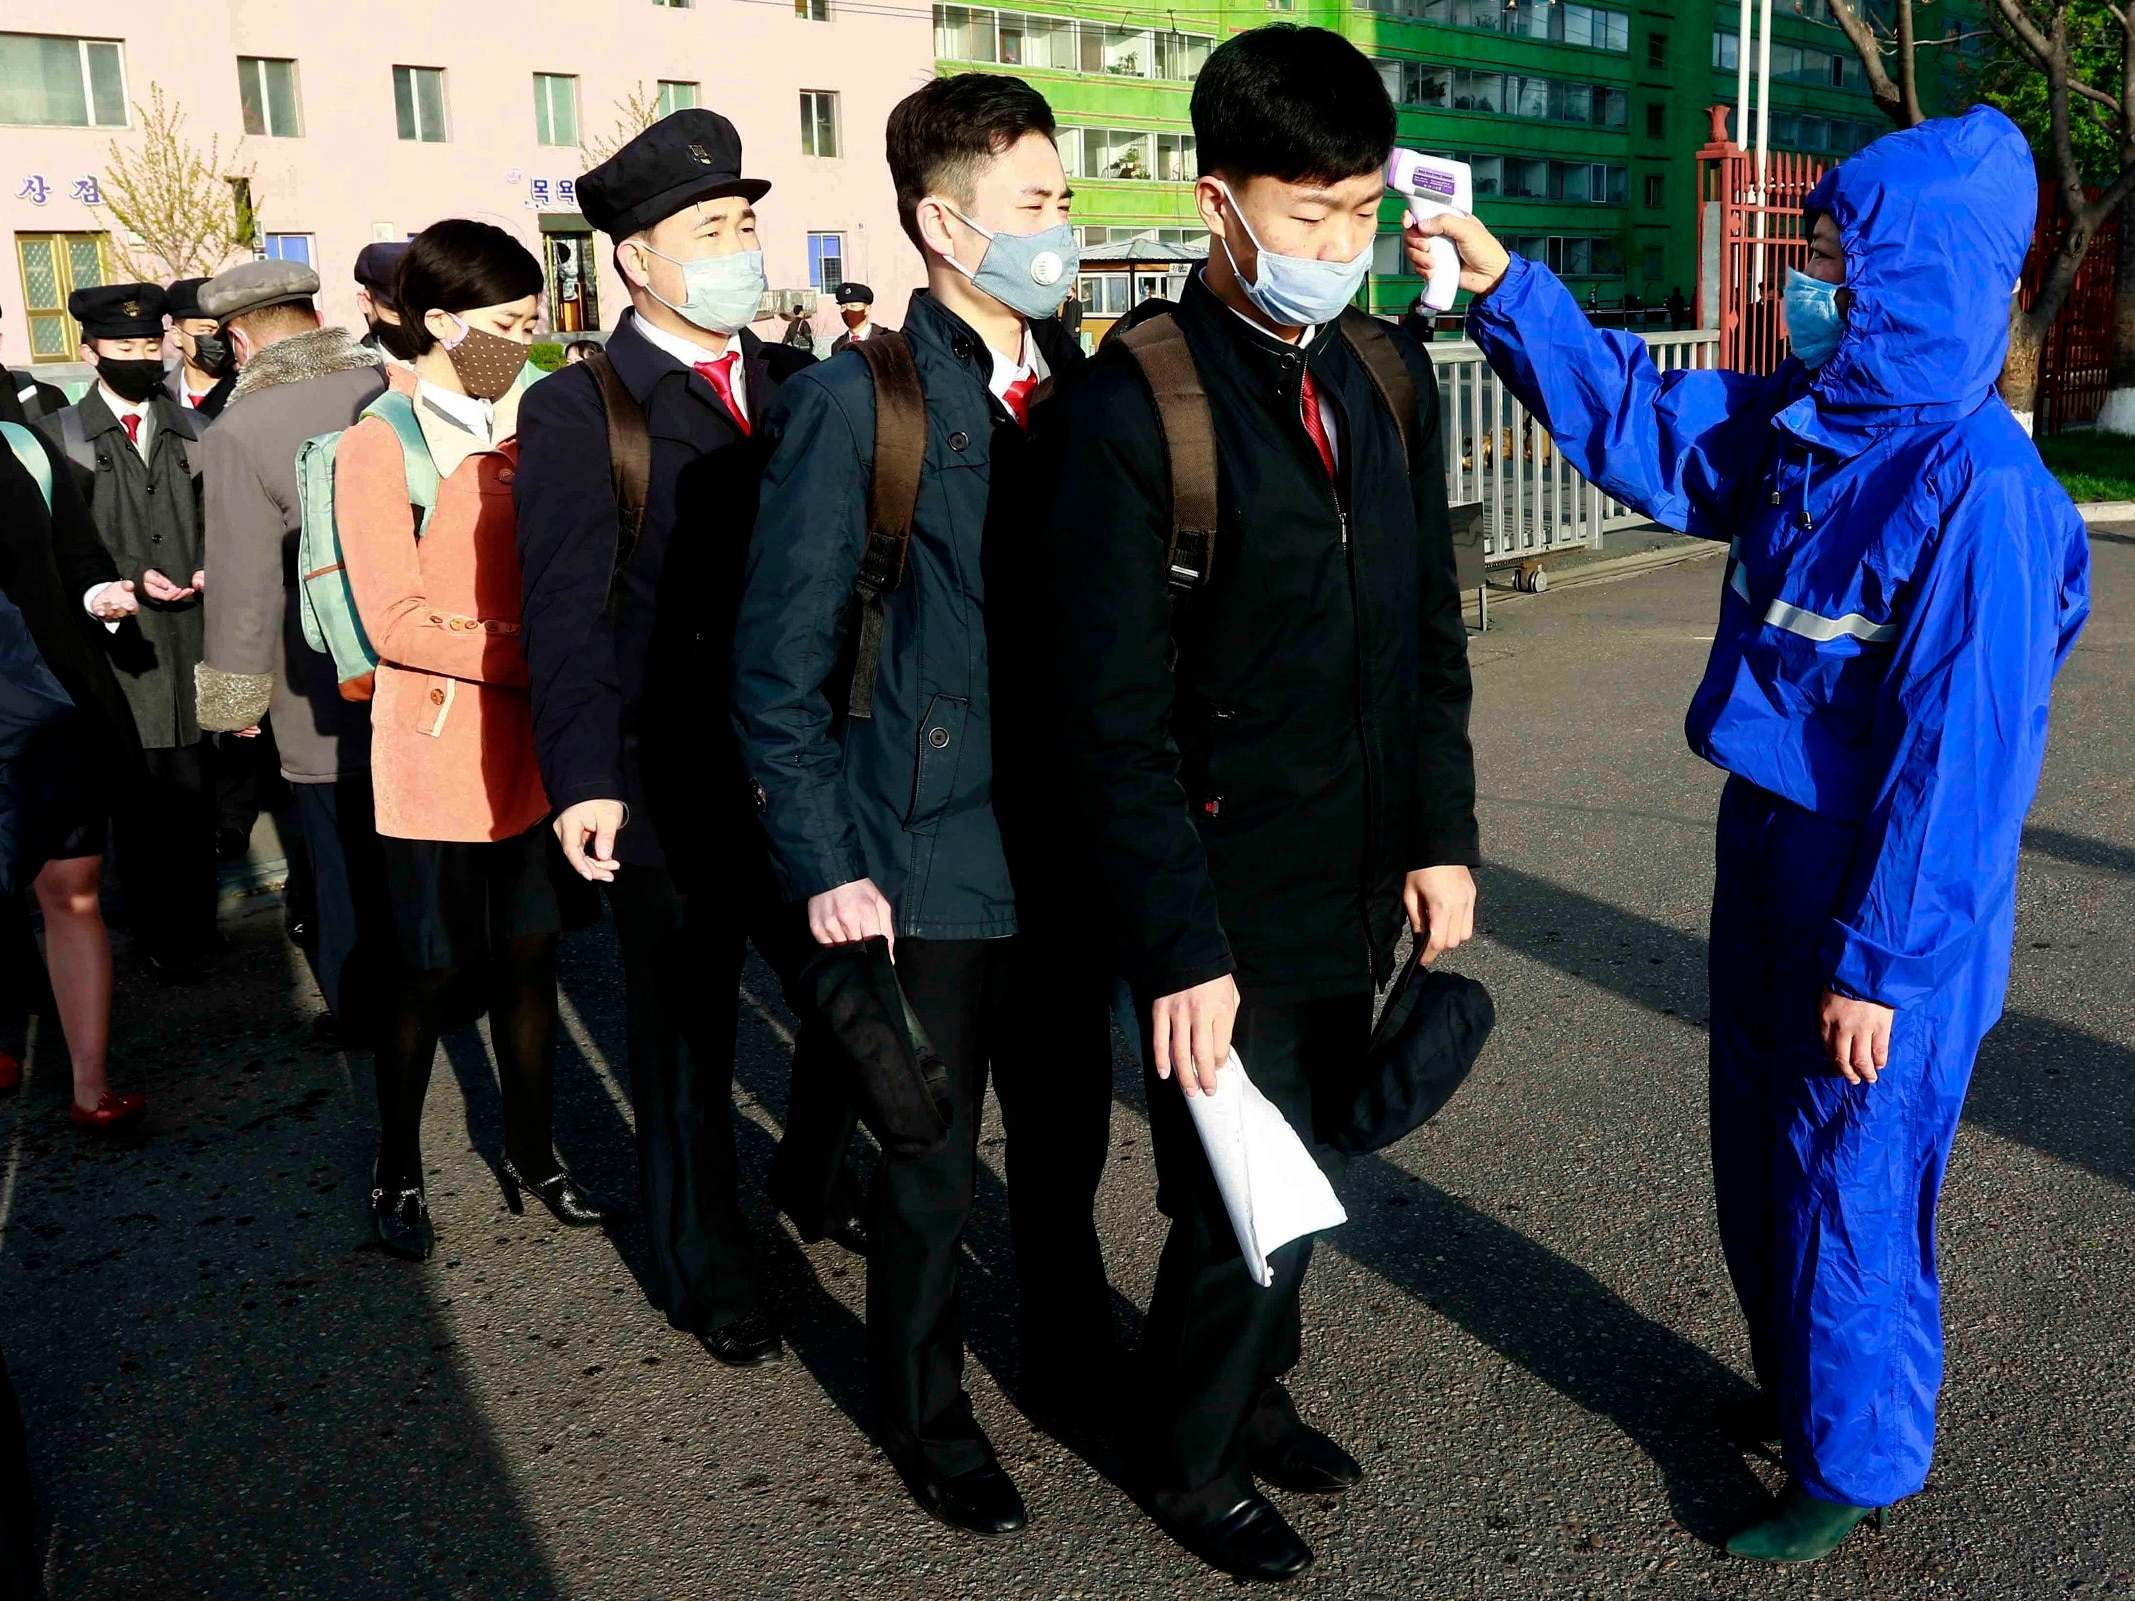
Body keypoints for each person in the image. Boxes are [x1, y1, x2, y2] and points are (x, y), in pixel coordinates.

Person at [1426, 105, 2091, 1563]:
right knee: (1757, 1147)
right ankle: (1803, 1391)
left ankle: (1853, 1455)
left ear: (1918, 278)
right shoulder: (1821, 426)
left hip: (1876, 894)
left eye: (1843, 268)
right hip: (1771, 846)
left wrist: (1882, 968)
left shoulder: (1975, 489)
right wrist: (1498, 283)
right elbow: (1651, 432)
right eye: (1818, 260)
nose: (1816, 289)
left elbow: (1955, 776)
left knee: (1848, 1173)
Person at [1028, 26, 1479, 1581]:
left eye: (1359, 212)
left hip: (1357, 870)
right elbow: (1105, 720)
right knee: (1238, 1200)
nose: (1338, 248)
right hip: (1218, 890)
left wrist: (1440, 837)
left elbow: (1425, 633)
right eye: (1305, 217)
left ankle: (1250, 1384)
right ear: (1218, 204)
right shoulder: (1133, 405)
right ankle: (1187, 1450)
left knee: (1309, 1167)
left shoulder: (1381, 371)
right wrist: (1176, 946)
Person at [732, 71, 1115, 1539]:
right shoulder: (854, 404)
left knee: (1069, 1141)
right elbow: (775, 670)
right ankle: (922, 1404)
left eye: (1064, 199)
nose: (1061, 229)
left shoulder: (1084, 390)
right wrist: (826, 864)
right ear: (942, 226)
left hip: (1065, 845)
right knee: (926, 1158)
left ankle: (1074, 1361)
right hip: (921, 845)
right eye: (1036, 205)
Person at [515, 108, 863, 1368]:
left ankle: (818, 1178)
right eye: (708, 228)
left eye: (746, 222)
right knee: (686, 1044)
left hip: (806, 773)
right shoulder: (578, 409)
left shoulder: (800, 385)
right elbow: (562, 617)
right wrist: (584, 780)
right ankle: (704, 1262)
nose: (738, 246)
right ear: (635, 260)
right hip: (668, 782)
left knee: (848, 1000)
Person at [336, 218, 610, 1259]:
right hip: (439, 753)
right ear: (439, 321)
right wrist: (546, 652)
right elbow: (391, 620)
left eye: (533, 321)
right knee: (426, 970)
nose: (523, 339)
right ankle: (397, 1166)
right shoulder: (380, 441)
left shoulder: (540, 421)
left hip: (535, 754)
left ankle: (536, 1152)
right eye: (503, 323)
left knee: (531, 962)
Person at [194, 260, 393, 1044]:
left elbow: (244, 585)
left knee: (338, 858)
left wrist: (234, 703)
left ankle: (363, 1010)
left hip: (320, 679)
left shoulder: (240, 429)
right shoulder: (388, 384)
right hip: (425, 664)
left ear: (239, 340)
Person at [40, 284, 220, 983]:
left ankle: (198, 929)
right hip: (119, 654)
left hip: (194, 642)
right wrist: (123, 582)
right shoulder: (65, 438)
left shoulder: (197, 431)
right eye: (124, 348)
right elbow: (64, 550)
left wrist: (208, 566)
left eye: (152, 346)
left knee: (195, 793)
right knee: (139, 804)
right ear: (91, 352)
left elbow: (218, 519)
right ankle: (154, 929)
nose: (141, 358)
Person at [0, 405, 149, 1130]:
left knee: (73, 888)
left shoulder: (23, 445)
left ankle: (91, 1085)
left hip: (51, 702)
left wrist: (104, 595)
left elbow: (78, 556)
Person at [163, 278, 237, 418]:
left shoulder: (249, 391)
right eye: (207, 330)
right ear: (177, 336)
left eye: (224, 331)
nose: (218, 338)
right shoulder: (159, 396)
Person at [353, 243, 420, 365]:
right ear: (365, 303)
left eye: (421, 313)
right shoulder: (349, 374)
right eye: (398, 315)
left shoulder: (459, 365)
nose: (412, 324)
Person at [827, 282, 884, 354]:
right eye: (843, 307)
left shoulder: (886, 340)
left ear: (867, 309)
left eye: (853, 306)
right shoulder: (837, 345)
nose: (847, 311)